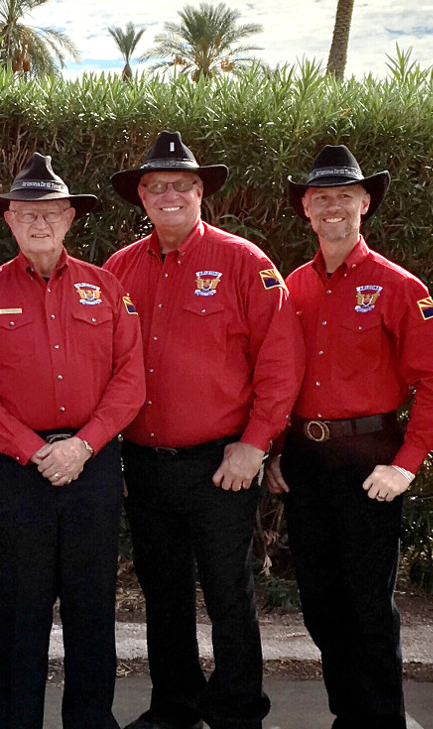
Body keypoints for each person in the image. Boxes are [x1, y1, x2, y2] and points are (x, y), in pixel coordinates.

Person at [101, 131, 297, 729]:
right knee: (162, 594)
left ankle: (239, 709)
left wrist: (255, 445)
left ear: (200, 192)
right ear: (141, 196)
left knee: (227, 593)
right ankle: (176, 706)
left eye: (181, 185)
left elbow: (281, 364)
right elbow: (102, 367)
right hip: (145, 463)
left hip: (221, 464)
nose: (169, 195)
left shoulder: (244, 262)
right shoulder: (118, 269)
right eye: (157, 186)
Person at [267, 145, 433, 729]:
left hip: (369, 460)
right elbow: (278, 375)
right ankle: (349, 716)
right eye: (320, 198)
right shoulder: (291, 285)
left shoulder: (398, 286)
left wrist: (406, 464)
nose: (332, 208)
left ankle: (380, 721)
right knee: (321, 606)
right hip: (305, 457)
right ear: (306, 208)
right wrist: (275, 447)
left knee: (369, 607)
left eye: (344, 197)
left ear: (364, 203)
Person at [0, 153, 144, 729]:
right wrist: (36, 450)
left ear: (69, 220)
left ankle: (92, 721)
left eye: (52, 213)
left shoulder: (106, 287)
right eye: (27, 214)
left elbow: (130, 379)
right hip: (19, 472)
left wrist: (81, 446)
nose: (40, 224)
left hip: (92, 468)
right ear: (8, 222)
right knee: (21, 609)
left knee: (92, 609)